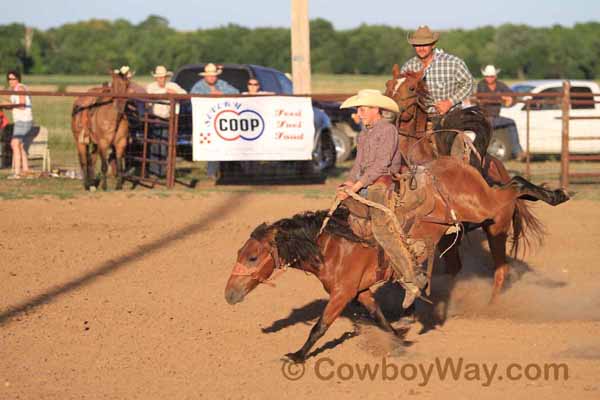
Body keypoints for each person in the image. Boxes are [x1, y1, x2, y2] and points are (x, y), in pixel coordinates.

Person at [338, 89, 428, 309]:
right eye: (358, 109)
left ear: (376, 109)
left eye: (363, 109)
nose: (359, 113)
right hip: (367, 181)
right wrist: (349, 184)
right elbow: (358, 165)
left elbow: (381, 165)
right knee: (343, 218)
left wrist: (358, 185)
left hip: (383, 182)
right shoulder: (364, 134)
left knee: (381, 229)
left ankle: (412, 280)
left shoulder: (387, 130)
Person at [401, 25, 474, 118]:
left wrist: (450, 102)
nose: (421, 48)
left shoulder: (453, 62)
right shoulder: (408, 67)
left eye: (425, 44)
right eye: (417, 45)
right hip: (417, 120)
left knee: (470, 131)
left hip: (450, 116)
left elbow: (468, 83)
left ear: (433, 45)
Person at [190, 63, 239, 180]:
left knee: (225, 145)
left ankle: (224, 172)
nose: (212, 78)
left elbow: (236, 92)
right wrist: (208, 95)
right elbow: (192, 96)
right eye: (210, 76)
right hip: (205, 122)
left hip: (222, 121)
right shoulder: (198, 86)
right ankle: (212, 172)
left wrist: (222, 94)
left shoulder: (222, 84)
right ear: (205, 76)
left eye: (214, 75)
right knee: (211, 146)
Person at [477, 65, 525, 160]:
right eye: (487, 76)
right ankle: (517, 151)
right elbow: (483, 98)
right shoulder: (481, 85)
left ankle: (518, 151)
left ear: (495, 76)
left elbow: (513, 95)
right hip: (484, 118)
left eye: (491, 76)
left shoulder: (500, 85)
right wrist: (501, 98)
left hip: (495, 117)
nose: (489, 78)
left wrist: (510, 99)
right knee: (510, 123)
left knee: (511, 123)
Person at [0, 70, 33, 178]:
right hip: (21, 120)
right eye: (9, 79)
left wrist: (7, 104)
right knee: (21, 146)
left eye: (13, 78)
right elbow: (14, 106)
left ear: (18, 79)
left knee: (14, 144)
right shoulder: (15, 90)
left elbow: (22, 105)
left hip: (24, 121)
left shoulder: (20, 88)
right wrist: (5, 104)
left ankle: (17, 173)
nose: (11, 81)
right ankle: (26, 170)